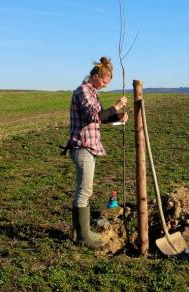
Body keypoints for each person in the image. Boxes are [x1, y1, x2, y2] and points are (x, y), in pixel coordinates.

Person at [66, 56, 128, 249]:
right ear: (95, 75)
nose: (104, 86)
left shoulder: (93, 93)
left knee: (83, 190)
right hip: (82, 146)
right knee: (85, 191)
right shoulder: (83, 91)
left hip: (89, 147)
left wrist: (118, 116)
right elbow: (93, 116)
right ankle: (83, 236)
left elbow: (102, 118)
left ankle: (79, 233)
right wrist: (116, 106)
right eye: (103, 81)